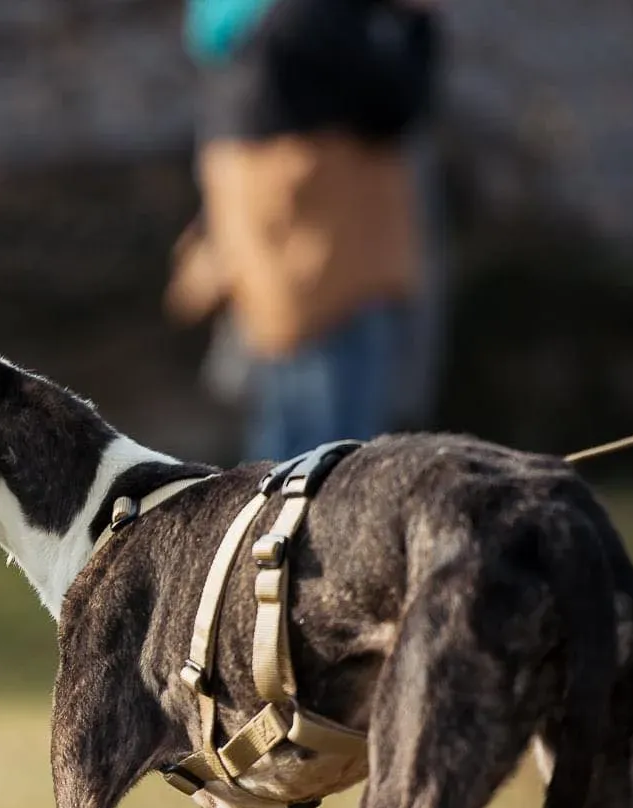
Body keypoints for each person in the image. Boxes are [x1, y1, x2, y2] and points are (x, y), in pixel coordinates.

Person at [167, 0, 440, 466]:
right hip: (330, 259)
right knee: (337, 447)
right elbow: (394, 105)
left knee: (286, 431)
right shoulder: (311, 15)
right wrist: (418, 24)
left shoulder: (236, 23)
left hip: (272, 257)